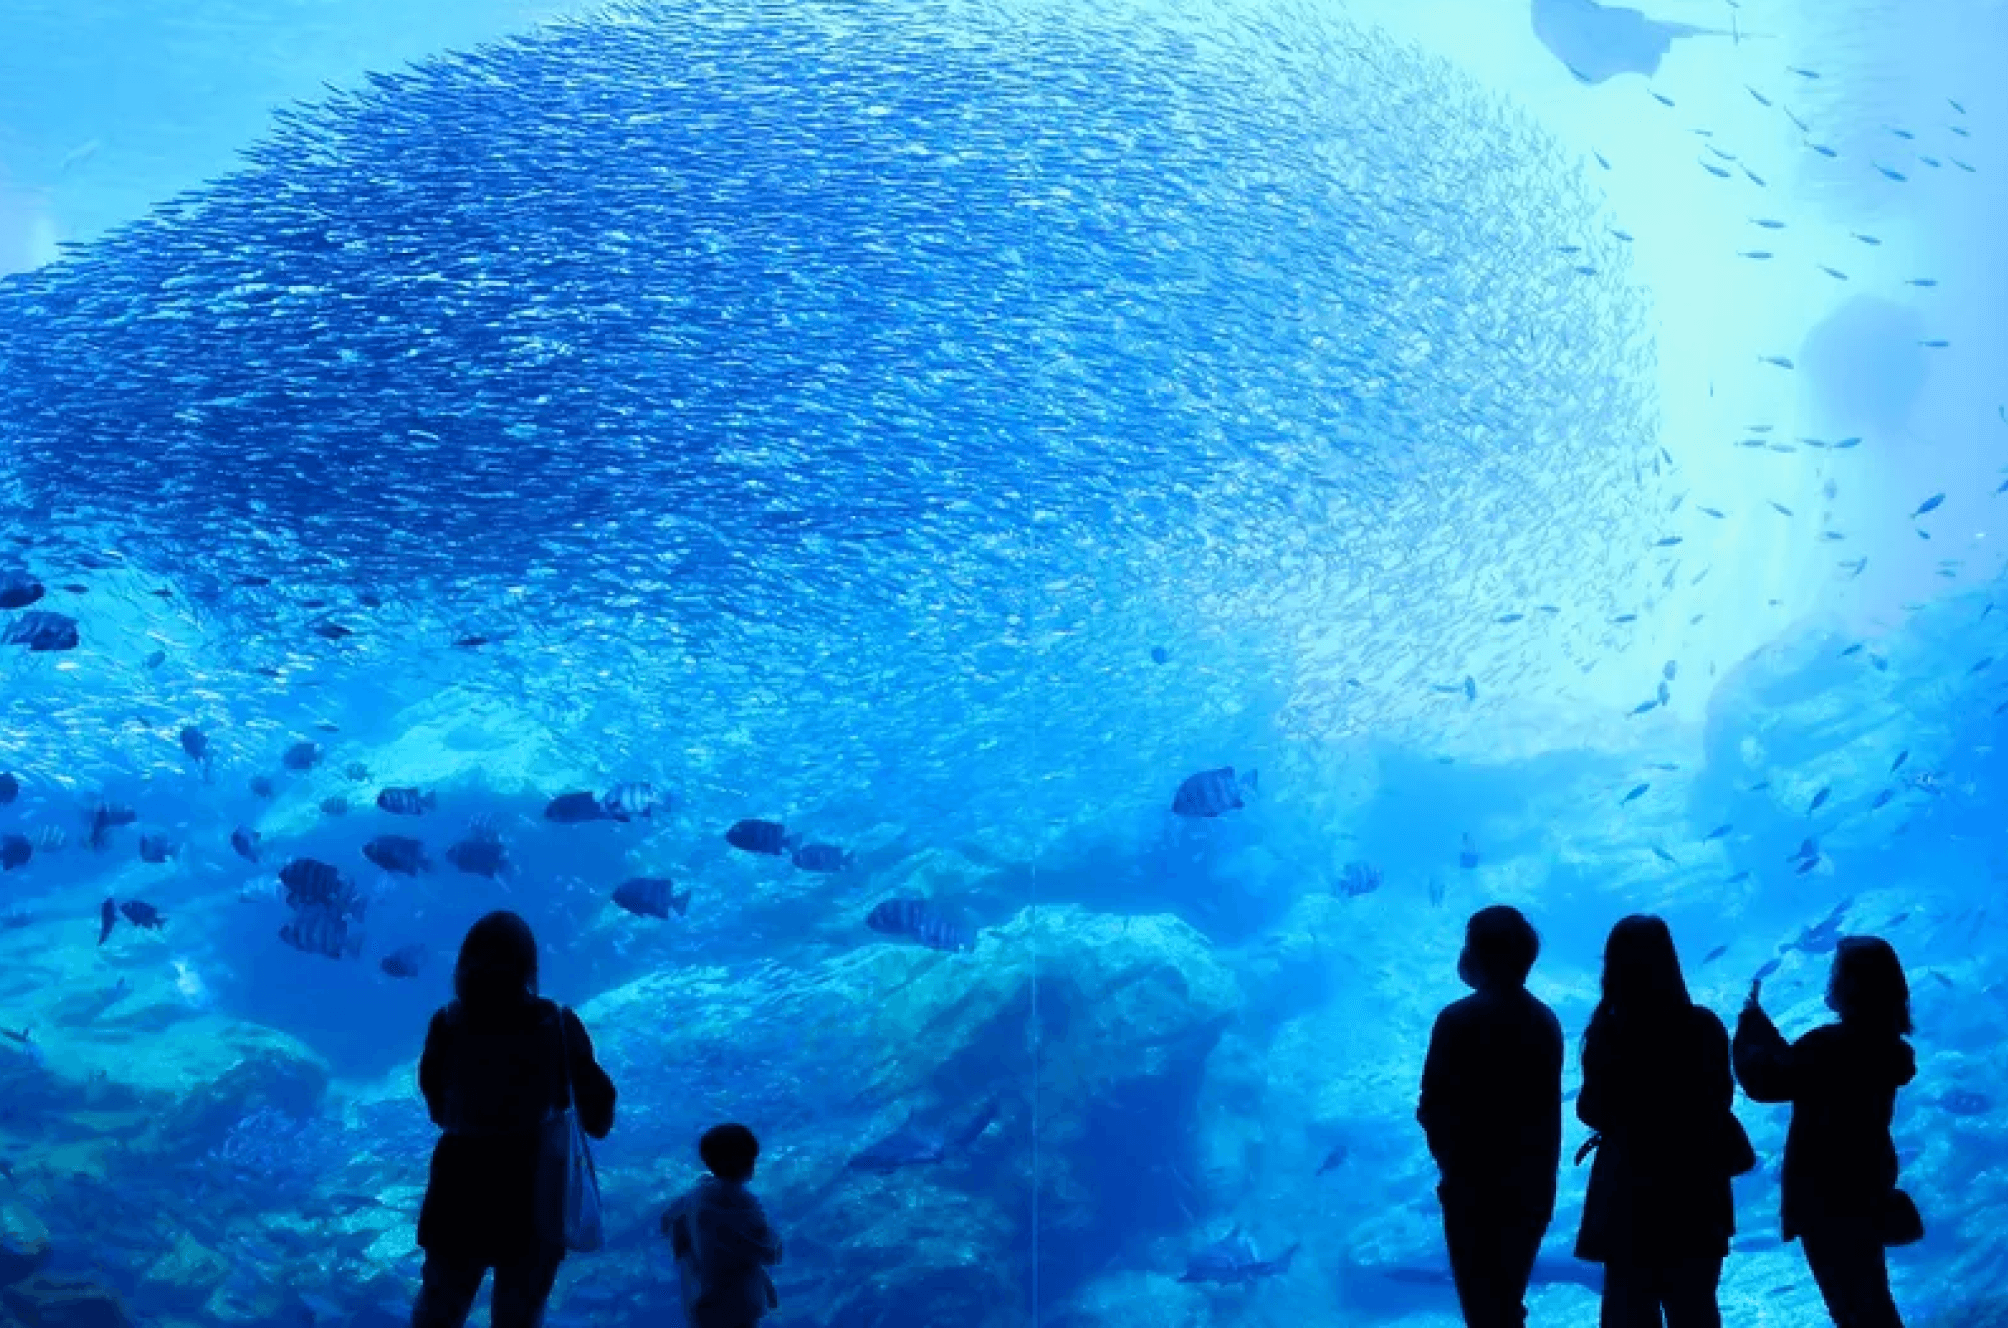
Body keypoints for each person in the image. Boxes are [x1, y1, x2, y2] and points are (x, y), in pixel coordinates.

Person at [412, 911, 618, 1328]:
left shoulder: (447, 1023)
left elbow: (437, 1110)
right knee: (519, 1318)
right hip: (536, 1192)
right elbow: (599, 1116)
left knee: (438, 1313)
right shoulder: (556, 1022)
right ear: (528, 964)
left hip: (458, 1189)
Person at [1735, 936, 1916, 1328]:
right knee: (1871, 1295)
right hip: (1867, 1180)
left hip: (1825, 1192)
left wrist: (1746, 1032)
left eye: (1836, 973)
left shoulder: (1829, 1046)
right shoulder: (1884, 1046)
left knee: (1850, 1306)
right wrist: (1763, 1029)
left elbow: (1768, 1083)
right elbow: (1800, 1067)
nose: (1830, 980)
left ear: (1852, 985)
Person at [1573, 915, 1738, 1328]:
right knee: (1695, 1308)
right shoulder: (1704, 1026)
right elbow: (1721, 1098)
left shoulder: (1608, 1032)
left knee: (1628, 1310)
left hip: (1629, 1192)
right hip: (1697, 1188)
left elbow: (1591, 1108)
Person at [1418, 905, 1564, 1328]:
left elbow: (1433, 1107)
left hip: (1473, 1192)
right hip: (1532, 1190)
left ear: (1480, 955)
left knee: (1483, 1310)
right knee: (1506, 1302)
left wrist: (1452, 1168)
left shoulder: (1456, 1020)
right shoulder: (1545, 1021)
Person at [661, 1123, 785, 1328]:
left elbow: (668, 1224)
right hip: (736, 1305)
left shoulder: (693, 1197)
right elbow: (769, 1252)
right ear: (746, 1162)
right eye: (751, 1158)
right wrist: (775, 1239)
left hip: (701, 1301)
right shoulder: (741, 1202)